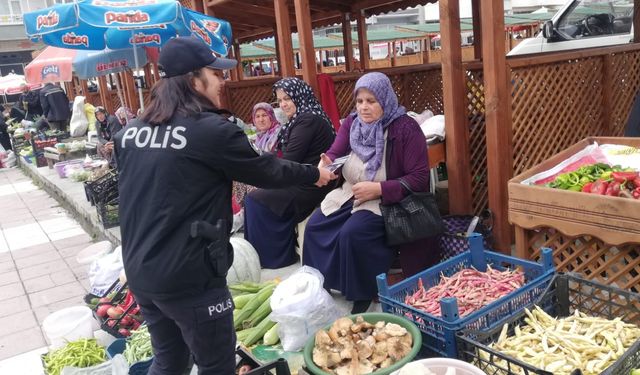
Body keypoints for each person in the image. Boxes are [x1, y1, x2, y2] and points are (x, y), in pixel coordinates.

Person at [113, 36, 335, 375]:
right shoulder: (211, 131)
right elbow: (267, 170)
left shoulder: (129, 134)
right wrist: (314, 174)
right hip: (190, 276)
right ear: (194, 80)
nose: (222, 81)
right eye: (215, 73)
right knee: (216, 366)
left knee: (169, 361)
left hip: (142, 270)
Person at [302, 72, 439, 314]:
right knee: (315, 225)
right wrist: (326, 165)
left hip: (388, 200)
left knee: (353, 233)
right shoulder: (352, 124)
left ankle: (362, 293)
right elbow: (335, 152)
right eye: (360, 101)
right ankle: (320, 284)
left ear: (385, 100)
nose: (364, 107)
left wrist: (379, 189)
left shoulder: (405, 129)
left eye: (371, 101)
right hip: (351, 192)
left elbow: (418, 178)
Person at [244, 77, 336, 269]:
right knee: (255, 194)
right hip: (301, 177)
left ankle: (273, 258)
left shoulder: (308, 120)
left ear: (299, 96)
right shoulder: (302, 118)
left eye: (288, 98)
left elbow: (289, 159)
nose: (284, 104)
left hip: (312, 183)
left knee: (255, 199)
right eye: (280, 100)